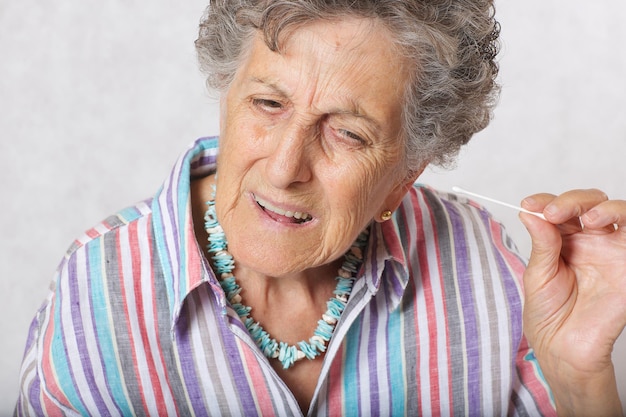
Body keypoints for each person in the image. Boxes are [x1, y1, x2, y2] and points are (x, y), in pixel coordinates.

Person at [14, 1, 626, 416]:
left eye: (348, 133)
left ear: (402, 180)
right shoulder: (94, 297)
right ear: (227, 96)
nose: (284, 168)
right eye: (268, 103)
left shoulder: (488, 271)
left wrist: (576, 377)